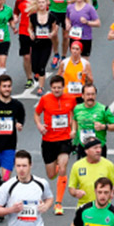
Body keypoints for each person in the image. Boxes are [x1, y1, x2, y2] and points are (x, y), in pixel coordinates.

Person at [33, 74, 77, 215]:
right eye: (54, 88)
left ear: (63, 87)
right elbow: (36, 113)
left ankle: (58, 203)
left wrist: (74, 129)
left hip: (64, 139)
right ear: (50, 88)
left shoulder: (70, 99)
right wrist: (40, 125)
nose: (57, 90)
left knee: (63, 168)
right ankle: (57, 165)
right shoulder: (45, 99)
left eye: (59, 87)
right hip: (48, 140)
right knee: (51, 174)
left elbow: (74, 114)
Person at [71, 83, 114, 158]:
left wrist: (103, 127)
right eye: (88, 94)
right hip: (83, 148)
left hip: (98, 149)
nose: (90, 97)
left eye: (93, 94)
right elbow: (75, 119)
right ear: (82, 96)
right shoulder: (77, 108)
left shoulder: (103, 109)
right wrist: (73, 130)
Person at [68, 138, 114, 206]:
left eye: (100, 147)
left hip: (104, 208)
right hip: (84, 207)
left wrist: (112, 191)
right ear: (87, 151)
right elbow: (71, 188)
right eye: (95, 148)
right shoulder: (77, 166)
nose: (99, 150)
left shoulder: (109, 165)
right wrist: (76, 192)